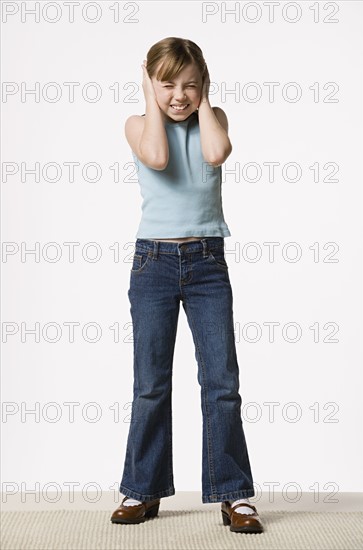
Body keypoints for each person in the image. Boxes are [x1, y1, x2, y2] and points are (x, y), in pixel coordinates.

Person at [110, 37, 263, 534]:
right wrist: (147, 96)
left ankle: (233, 495)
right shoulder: (137, 125)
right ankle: (142, 489)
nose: (180, 94)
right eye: (167, 84)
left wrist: (206, 100)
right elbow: (156, 157)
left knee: (222, 382)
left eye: (190, 84)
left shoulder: (212, 118)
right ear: (150, 83)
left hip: (206, 263)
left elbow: (217, 152)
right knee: (150, 384)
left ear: (204, 83)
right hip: (152, 262)